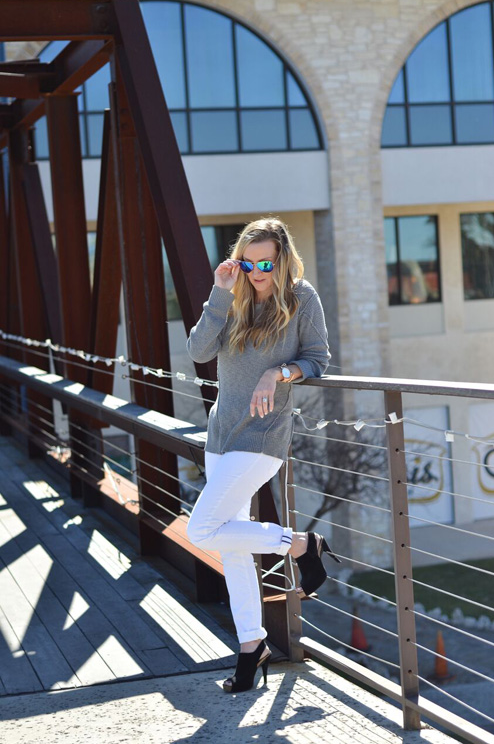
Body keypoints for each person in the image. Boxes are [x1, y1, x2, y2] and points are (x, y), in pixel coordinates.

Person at [186, 217, 336, 694]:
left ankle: (298, 544)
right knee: (232, 549)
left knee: (202, 529)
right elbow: (197, 349)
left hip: (265, 434)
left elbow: (319, 358)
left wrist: (278, 373)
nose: (256, 272)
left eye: (265, 263)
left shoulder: (301, 297)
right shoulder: (233, 298)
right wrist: (219, 291)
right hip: (221, 436)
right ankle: (252, 648)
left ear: (283, 258)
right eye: (248, 263)